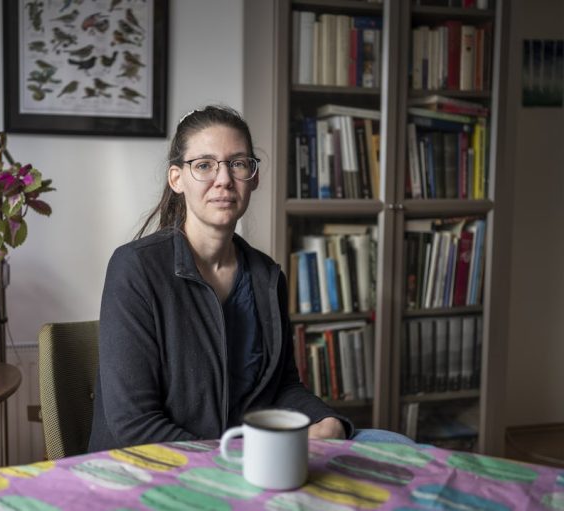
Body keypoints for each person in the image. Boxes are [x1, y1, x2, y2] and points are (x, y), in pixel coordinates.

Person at [88, 105, 411, 452]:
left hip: (250, 452)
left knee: (397, 444)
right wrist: (236, 459)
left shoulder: (266, 276)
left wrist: (327, 420)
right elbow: (134, 423)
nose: (224, 179)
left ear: (253, 177)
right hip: (158, 464)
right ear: (176, 179)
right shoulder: (136, 267)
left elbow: (282, 387)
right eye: (204, 165)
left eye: (238, 163)